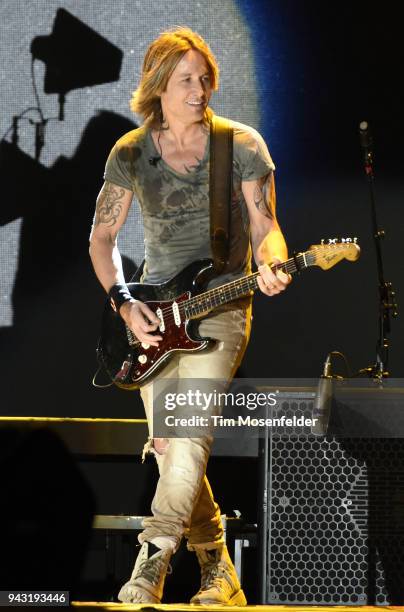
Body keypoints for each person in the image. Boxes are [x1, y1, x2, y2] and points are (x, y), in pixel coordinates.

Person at [89, 26, 290, 605]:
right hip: (153, 319)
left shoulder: (242, 144)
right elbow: (102, 240)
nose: (200, 89)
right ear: (158, 86)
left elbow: (266, 227)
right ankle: (220, 571)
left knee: (189, 437)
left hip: (222, 309)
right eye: (186, 80)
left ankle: (150, 566)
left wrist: (274, 263)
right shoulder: (130, 152)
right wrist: (125, 305)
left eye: (205, 78)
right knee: (173, 450)